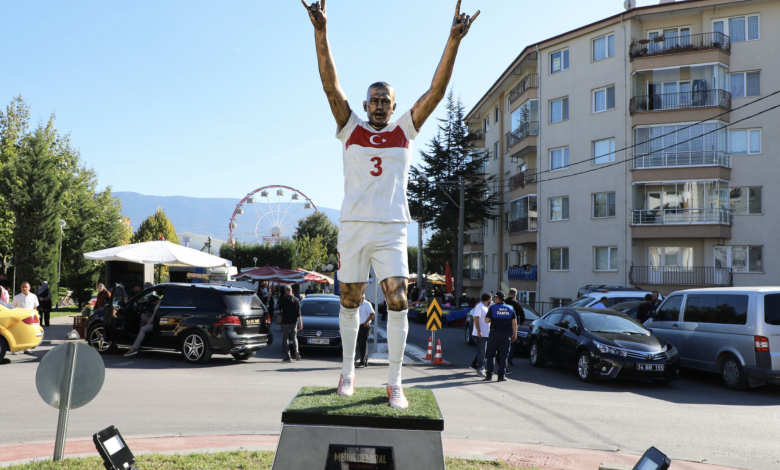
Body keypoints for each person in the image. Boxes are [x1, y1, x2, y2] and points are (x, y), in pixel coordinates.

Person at [301, 0, 479, 408]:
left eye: (386, 100)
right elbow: (330, 85)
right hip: (353, 226)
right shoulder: (349, 128)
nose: (380, 104)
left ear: (394, 106)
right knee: (349, 300)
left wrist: (452, 41)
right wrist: (320, 32)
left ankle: (394, 382)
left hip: (392, 227)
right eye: (374, 99)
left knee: (398, 300)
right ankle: (347, 372)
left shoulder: (405, 131)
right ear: (365, 105)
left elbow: (436, 91)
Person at [483, 291, 517, 382]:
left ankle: (489, 375)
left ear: (498, 298)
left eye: (495, 298)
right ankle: (501, 376)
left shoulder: (492, 308)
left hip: (494, 334)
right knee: (504, 356)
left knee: (490, 355)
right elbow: (514, 323)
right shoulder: (510, 308)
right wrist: (515, 334)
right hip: (506, 335)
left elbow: (486, 320)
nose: (494, 299)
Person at [278, 285, 303, 363]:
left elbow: (279, 307)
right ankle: (296, 351)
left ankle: (288, 356)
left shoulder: (283, 299)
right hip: (294, 322)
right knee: (294, 337)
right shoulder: (296, 300)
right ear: (292, 290)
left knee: (286, 338)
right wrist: (301, 323)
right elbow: (299, 313)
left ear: (286, 291)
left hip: (285, 322)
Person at [12, 282, 39, 355]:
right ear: (21, 288)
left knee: (28, 334)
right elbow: (13, 307)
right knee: (18, 334)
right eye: (23, 287)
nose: (24, 288)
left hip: (29, 319)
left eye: (26, 287)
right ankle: (16, 349)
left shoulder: (33, 296)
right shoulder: (17, 297)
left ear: (29, 288)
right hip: (19, 319)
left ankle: (27, 349)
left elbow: (35, 307)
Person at [504, 288, 525, 367]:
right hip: (513, 325)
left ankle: (502, 359)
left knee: (503, 343)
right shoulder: (516, 303)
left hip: (503, 324)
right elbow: (522, 314)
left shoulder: (504, 302)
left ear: (509, 293)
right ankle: (509, 360)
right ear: (515, 295)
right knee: (512, 342)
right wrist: (521, 322)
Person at [471, 293, 491, 376]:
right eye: (491, 298)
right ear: (488, 299)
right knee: (482, 352)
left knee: (482, 351)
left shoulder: (485, 307)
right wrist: (479, 331)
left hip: (485, 333)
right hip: (480, 334)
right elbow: (475, 318)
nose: (492, 300)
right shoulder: (479, 306)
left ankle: (476, 365)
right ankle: (480, 368)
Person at [356, 294, 375, 368]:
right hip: (358, 326)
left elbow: (372, 313)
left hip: (365, 326)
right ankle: (365, 361)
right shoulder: (357, 304)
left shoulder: (366, 304)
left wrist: (366, 322)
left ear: (363, 298)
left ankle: (362, 362)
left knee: (363, 344)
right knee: (360, 344)